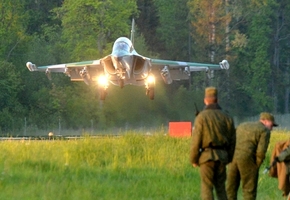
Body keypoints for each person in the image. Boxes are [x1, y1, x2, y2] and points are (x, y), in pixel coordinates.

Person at [190, 87, 236, 200]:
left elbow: (196, 141)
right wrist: (229, 158)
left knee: (207, 189)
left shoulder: (201, 117)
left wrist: (194, 159)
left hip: (206, 158)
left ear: (205, 100)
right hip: (222, 158)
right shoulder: (227, 117)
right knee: (221, 189)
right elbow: (233, 141)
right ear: (217, 100)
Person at [226, 112, 278, 200]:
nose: (272, 128)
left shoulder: (242, 125)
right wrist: (256, 165)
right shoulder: (264, 131)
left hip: (232, 157)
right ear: (265, 121)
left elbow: (230, 139)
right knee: (249, 190)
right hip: (247, 158)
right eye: (271, 125)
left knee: (230, 188)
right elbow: (261, 152)